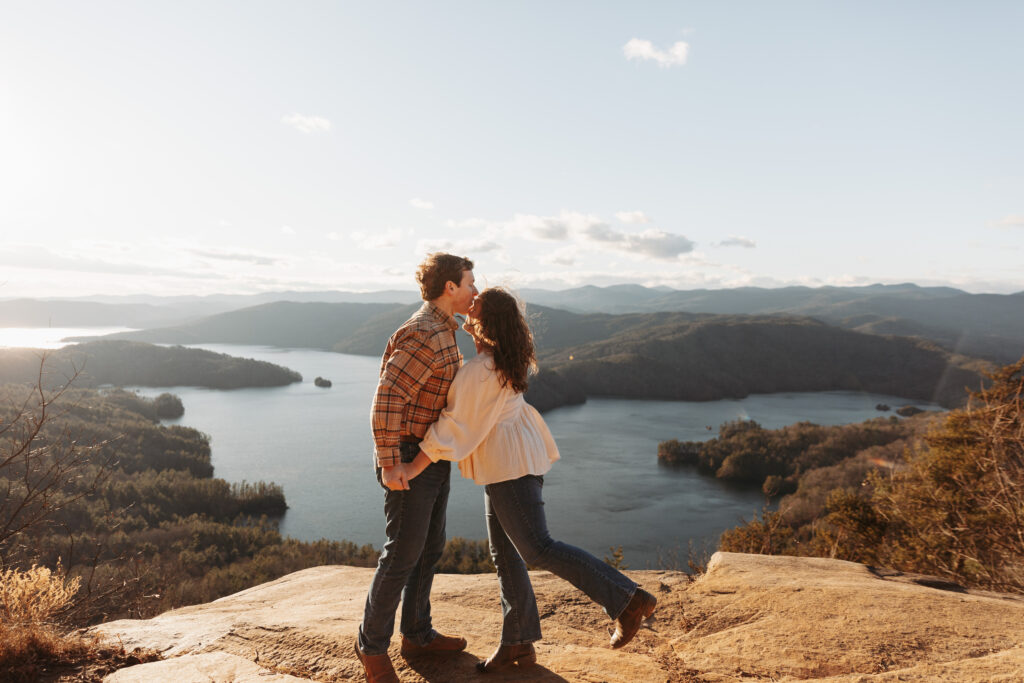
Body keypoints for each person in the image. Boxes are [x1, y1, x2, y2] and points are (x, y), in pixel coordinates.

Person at [399, 287, 657, 673]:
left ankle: (628, 600)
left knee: (537, 548)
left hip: (510, 465)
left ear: (487, 326)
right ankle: (516, 643)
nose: (468, 314)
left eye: (476, 312)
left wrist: (410, 468)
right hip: (513, 459)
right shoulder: (499, 358)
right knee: (504, 554)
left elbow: (453, 428)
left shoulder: (481, 371)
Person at [354, 253, 478, 683]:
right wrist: (391, 464)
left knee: (429, 547)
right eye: (470, 283)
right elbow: (386, 400)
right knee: (403, 553)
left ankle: (417, 634)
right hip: (409, 456)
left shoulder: (446, 330)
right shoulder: (423, 333)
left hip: (430, 452)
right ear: (450, 288)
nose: (474, 291)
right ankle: (370, 646)